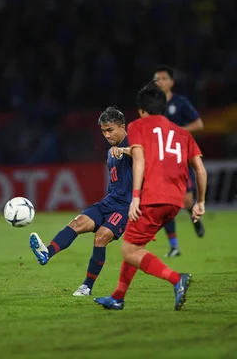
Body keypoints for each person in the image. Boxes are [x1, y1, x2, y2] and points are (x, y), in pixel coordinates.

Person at [94, 81, 207, 311]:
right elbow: (201, 170)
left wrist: (136, 196)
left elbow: (139, 160)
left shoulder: (138, 126)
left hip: (153, 197)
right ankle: (118, 297)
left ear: (142, 110)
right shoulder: (183, 134)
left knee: (129, 250)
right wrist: (200, 202)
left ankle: (177, 279)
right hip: (175, 202)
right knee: (135, 246)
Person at [29, 106, 133, 296]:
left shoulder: (132, 143)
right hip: (109, 202)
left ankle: (86, 287)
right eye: (103, 131)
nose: (106, 135)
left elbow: (145, 156)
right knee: (77, 223)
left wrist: (125, 150)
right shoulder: (111, 151)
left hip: (126, 207)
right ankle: (47, 253)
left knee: (101, 236)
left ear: (122, 127)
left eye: (110, 130)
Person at [153, 65, 205, 258]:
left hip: (180, 160)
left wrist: (179, 131)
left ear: (171, 82)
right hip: (159, 161)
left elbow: (199, 124)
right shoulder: (152, 106)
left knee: (186, 201)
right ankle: (174, 246)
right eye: (156, 79)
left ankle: (195, 216)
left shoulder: (180, 103)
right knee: (165, 203)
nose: (159, 82)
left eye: (163, 78)